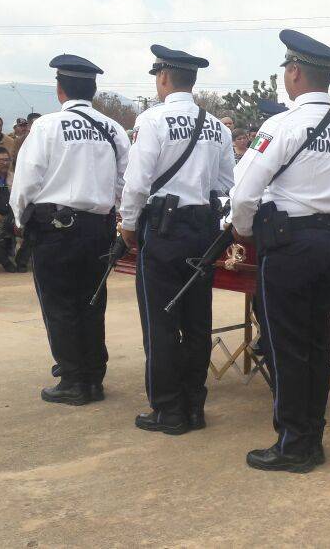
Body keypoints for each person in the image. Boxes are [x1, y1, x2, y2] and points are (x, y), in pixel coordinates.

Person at [230, 30, 330, 473]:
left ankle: (293, 444)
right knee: (316, 341)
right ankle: (312, 436)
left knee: (286, 346)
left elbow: (244, 194)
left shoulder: (281, 124)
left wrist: (246, 232)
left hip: (289, 246)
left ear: (293, 72)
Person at [118, 45, 235, 434]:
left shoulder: (152, 120)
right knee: (197, 320)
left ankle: (168, 410)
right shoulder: (217, 126)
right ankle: (194, 406)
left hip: (164, 229)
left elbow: (136, 182)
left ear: (164, 77)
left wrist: (129, 225)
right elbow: (225, 186)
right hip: (202, 229)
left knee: (161, 321)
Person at [10, 54, 131, 406]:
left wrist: (20, 220)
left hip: (55, 229)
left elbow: (26, 182)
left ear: (60, 90)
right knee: (92, 302)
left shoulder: (47, 127)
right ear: (92, 90)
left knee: (60, 304)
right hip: (99, 227)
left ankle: (73, 380)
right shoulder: (113, 129)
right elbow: (127, 181)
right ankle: (94, 377)